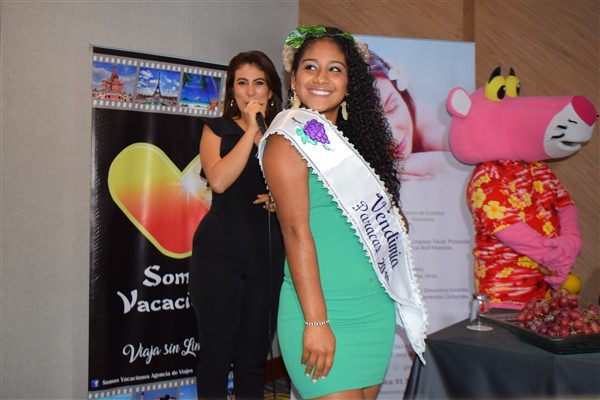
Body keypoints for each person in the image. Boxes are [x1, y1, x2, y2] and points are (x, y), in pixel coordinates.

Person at [258, 26, 427, 399]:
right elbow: (296, 233)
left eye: (335, 69)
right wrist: (316, 322)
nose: (321, 78)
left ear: (350, 83)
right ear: (293, 78)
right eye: (310, 67)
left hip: (373, 310)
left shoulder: (358, 144)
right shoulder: (286, 141)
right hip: (320, 311)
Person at [188, 50, 285, 399]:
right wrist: (250, 129)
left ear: (270, 90)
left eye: (258, 83)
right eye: (242, 83)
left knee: (252, 363)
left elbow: (296, 190)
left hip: (266, 255)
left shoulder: (284, 136)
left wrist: (280, 201)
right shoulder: (216, 129)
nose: (250, 91)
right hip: (218, 256)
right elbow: (219, 181)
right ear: (232, 89)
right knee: (215, 359)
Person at [368, 51, 455, 181]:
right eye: (373, 126)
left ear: (403, 96)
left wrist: (429, 163)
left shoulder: (426, 125)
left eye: (392, 108)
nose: (392, 136)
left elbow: (480, 156)